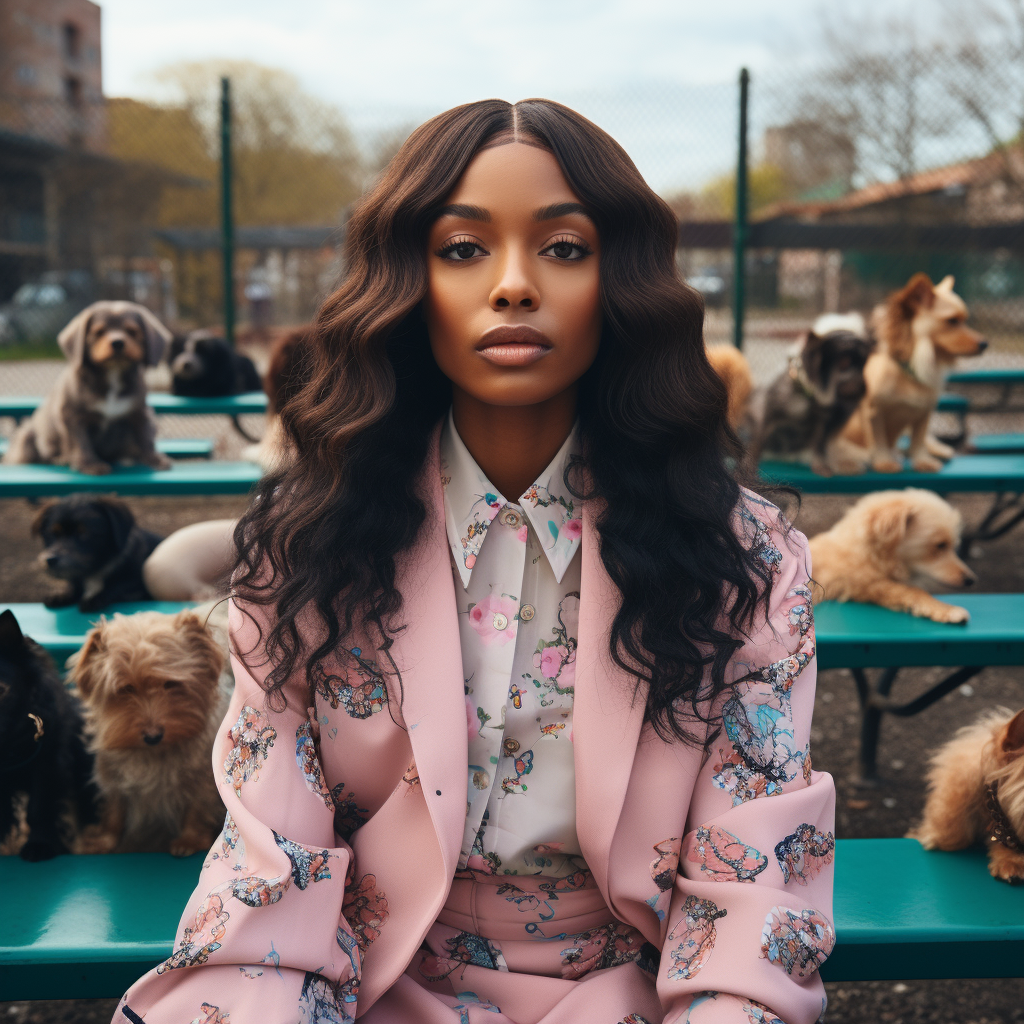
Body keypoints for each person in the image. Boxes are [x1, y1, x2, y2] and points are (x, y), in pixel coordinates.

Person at [117, 98, 834, 1024]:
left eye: (564, 248)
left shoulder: (747, 559)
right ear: (406, 281)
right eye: (462, 249)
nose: (512, 286)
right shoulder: (306, 551)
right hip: (367, 977)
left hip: (644, 990)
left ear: (621, 281)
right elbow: (270, 865)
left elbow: (757, 883)